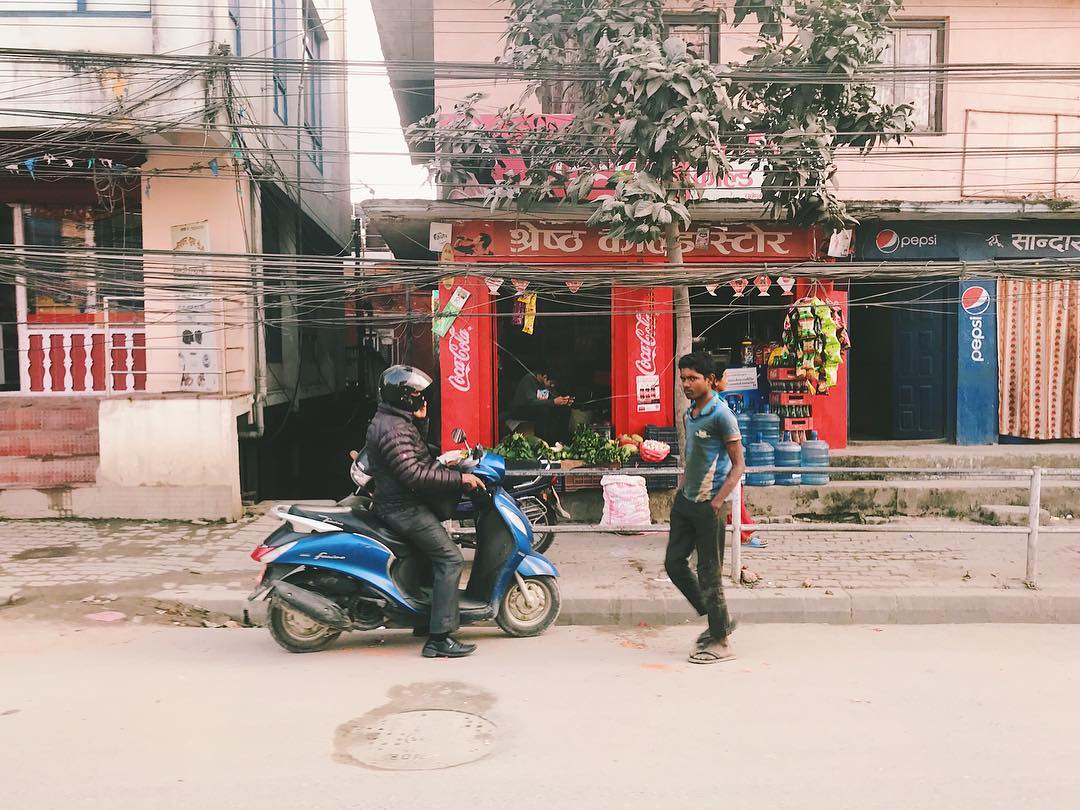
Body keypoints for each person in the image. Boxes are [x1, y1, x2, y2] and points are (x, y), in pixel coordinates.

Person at [365, 365, 486, 658]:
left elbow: (416, 452)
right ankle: (439, 638)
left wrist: (422, 423)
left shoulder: (396, 421)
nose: (421, 398)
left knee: (430, 556)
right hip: (403, 507)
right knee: (450, 559)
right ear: (402, 396)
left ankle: (424, 618)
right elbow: (415, 474)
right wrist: (461, 479)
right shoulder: (392, 428)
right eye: (416, 394)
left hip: (401, 502)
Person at [665, 352, 745, 664]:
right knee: (674, 564)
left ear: (709, 380)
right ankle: (718, 621)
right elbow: (692, 455)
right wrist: (681, 488)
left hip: (708, 508)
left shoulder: (722, 415)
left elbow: (738, 466)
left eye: (692, 378)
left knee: (709, 575)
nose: (686, 384)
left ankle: (721, 640)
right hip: (685, 503)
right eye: (683, 378)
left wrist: (715, 502)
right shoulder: (690, 413)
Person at [712, 371, 767, 549]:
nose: (727, 381)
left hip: (722, 460)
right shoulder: (717, 406)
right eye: (725, 377)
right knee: (735, 497)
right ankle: (743, 534)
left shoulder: (714, 403)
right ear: (715, 380)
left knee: (733, 498)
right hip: (723, 461)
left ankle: (742, 532)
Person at [507, 365, 574, 442]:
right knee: (544, 410)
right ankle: (543, 441)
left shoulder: (546, 384)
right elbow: (532, 402)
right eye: (551, 383)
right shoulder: (529, 380)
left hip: (538, 408)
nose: (553, 386)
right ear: (545, 377)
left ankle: (561, 439)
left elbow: (553, 397)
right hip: (522, 409)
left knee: (564, 410)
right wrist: (553, 402)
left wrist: (563, 401)